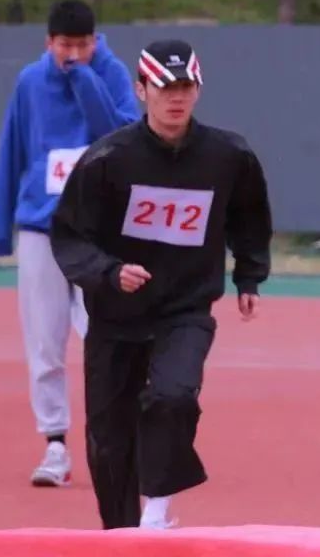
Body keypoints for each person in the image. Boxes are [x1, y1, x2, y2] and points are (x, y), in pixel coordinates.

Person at [48, 38, 272, 530]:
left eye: (186, 86)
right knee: (109, 438)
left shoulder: (229, 155)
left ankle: (158, 507)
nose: (176, 96)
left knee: (174, 397)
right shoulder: (108, 159)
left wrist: (249, 275)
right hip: (116, 315)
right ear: (141, 89)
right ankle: (120, 535)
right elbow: (70, 235)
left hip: (185, 310)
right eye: (165, 86)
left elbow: (250, 217)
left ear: (199, 90)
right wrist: (109, 272)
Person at [0, 0, 140, 487]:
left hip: (100, 233)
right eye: (64, 46)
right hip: (41, 227)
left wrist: (85, 80)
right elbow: (12, 149)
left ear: (96, 40)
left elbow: (120, 137)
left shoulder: (113, 74)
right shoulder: (30, 82)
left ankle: (113, 439)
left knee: (108, 338)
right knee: (44, 342)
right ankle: (54, 445)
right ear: (48, 41)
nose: (73, 54)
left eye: (83, 45)